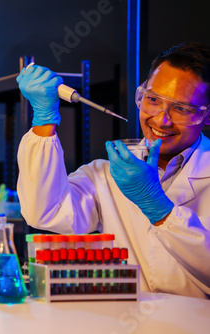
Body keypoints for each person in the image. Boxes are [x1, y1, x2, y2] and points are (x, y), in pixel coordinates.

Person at [16, 42, 210, 299]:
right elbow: (45, 212)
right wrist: (44, 119)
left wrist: (159, 208)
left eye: (181, 108)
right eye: (152, 100)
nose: (161, 119)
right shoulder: (107, 174)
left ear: (207, 116)